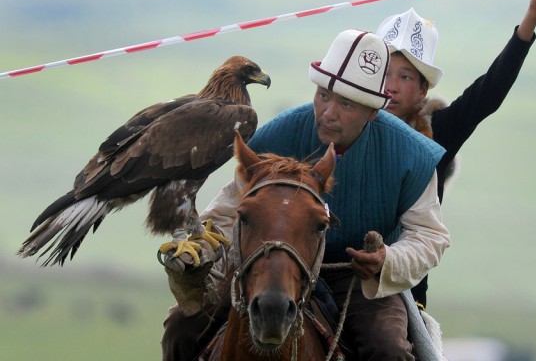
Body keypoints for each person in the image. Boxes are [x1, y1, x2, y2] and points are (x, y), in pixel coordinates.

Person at [161, 29, 451, 360]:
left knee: (388, 349)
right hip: (266, 264)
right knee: (180, 329)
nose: (328, 112)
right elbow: (228, 213)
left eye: (346, 103)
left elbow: (429, 236)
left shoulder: (411, 155)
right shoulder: (277, 134)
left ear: (373, 112)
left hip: (357, 280)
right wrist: (201, 253)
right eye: (324, 95)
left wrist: (388, 261)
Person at [375, 0, 536, 306]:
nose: (391, 86)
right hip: (334, 275)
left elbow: (489, 92)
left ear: (422, 91)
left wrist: (534, 10)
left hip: (404, 294)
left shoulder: (439, 133)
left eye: (405, 76)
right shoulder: (344, 124)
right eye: (386, 72)